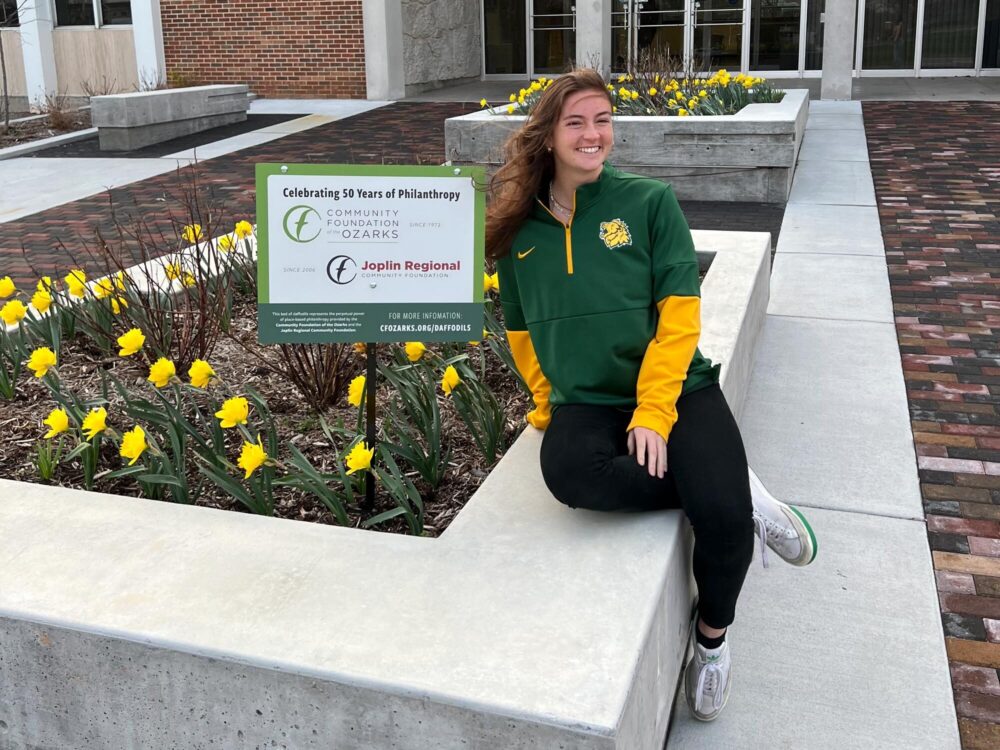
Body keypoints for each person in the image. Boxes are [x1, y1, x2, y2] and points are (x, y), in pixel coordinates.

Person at [486, 69, 818, 722]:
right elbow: (520, 330)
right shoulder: (518, 234)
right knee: (571, 477)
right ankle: (732, 484)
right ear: (548, 136)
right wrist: (550, 404)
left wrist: (654, 410)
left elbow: (679, 314)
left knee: (722, 524)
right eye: (576, 121)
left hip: (674, 387)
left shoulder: (648, 202)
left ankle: (712, 641)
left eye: (602, 119)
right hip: (586, 400)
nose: (593, 134)